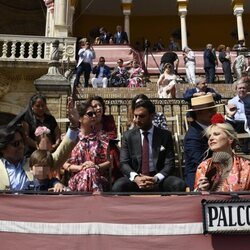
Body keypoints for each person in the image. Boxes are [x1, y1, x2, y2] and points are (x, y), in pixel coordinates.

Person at [0, 98, 80, 191]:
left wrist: (73, 126)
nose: (21, 146)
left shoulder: (34, 162)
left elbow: (60, 154)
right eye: (16, 144)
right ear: (3, 148)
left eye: (22, 142)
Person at [112, 99, 186, 193]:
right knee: (118, 186)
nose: (137, 120)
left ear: (152, 116)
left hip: (158, 178)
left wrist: (155, 178)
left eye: (142, 116)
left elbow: (169, 164)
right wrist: (136, 178)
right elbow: (123, 163)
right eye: (135, 116)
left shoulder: (165, 136)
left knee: (178, 184)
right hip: (136, 178)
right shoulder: (128, 136)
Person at [194, 113, 250, 192]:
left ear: (230, 139)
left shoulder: (246, 167)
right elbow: (197, 199)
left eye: (216, 134)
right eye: (209, 136)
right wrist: (201, 190)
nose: (211, 139)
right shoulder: (204, 167)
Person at [63, 102, 111, 192]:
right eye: (90, 114)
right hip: (77, 178)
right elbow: (64, 163)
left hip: (98, 178)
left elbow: (108, 162)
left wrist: (96, 167)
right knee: (88, 172)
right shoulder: (71, 138)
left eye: (94, 113)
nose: (93, 116)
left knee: (91, 171)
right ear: (80, 118)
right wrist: (81, 168)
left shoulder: (102, 137)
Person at [184, 94, 223, 190]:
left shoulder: (214, 128)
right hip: (201, 176)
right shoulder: (193, 136)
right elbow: (200, 161)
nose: (214, 112)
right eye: (210, 110)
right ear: (199, 113)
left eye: (214, 109)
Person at [227, 77, 250, 153]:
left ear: (247, 89)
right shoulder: (232, 101)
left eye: (244, 88)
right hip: (237, 124)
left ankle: (245, 148)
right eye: (240, 88)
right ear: (236, 90)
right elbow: (231, 116)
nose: (242, 90)